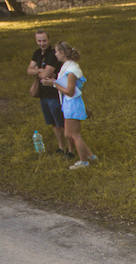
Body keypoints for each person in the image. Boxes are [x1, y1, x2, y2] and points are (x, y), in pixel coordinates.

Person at [41, 42, 96, 170]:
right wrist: (56, 81)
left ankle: (84, 161)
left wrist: (53, 84)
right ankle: (91, 156)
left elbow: (70, 91)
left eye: (56, 51)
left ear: (63, 53)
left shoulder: (72, 70)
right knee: (68, 134)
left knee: (75, 135)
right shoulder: (67, 66)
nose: (55, 54)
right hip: (68, 104)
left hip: (72, 104)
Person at [26, 31, 72, 158]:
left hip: (54, 93)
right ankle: (60, 147)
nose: (42, 44)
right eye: (39, 41)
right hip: (43, 94)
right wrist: (39, 70)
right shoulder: (37, 53)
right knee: (53, 123)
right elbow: (29, 70)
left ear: (49, 40)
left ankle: (70, 149)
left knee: (61, 123)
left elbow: (45, 74)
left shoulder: (53, 54)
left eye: (44, 41)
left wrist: (39, 71)